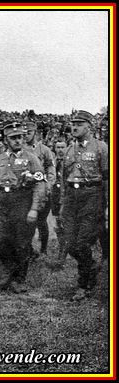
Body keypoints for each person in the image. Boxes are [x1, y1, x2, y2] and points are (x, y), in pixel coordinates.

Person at [0, 121, 46, 294]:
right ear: (6, 140)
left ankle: (19, 279)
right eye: (13, 138)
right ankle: (13, 272)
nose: (17, 141)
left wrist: (34, 208)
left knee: (21, 243)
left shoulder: (31, 158)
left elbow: (39, 184)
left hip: (22, 201)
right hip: (3, 203)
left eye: (20, 137)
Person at [59, 110, 109, 301]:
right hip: (72, 197)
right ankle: (91, 266)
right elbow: (64, 178)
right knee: (70, 244)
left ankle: (84, 284)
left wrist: (107, 207)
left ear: (90, 127)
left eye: (79, 124)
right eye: (73, 123)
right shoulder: (70, 149)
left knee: (82, 243)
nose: (74, 127)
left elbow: (107, 179)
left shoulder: (101, 148)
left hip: (92, 196)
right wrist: (63, 203)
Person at [23, 121, 56, 258]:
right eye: (23, 134)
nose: (25, 136)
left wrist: (48, 186)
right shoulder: (21, 149)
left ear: (35, 133)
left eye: (28, 133)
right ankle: (29, 250)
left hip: (42, 190)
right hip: (25, 191)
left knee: (41, 221)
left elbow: (51, 169)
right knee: (25, 221)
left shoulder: (44, 150)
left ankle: (43, 249)